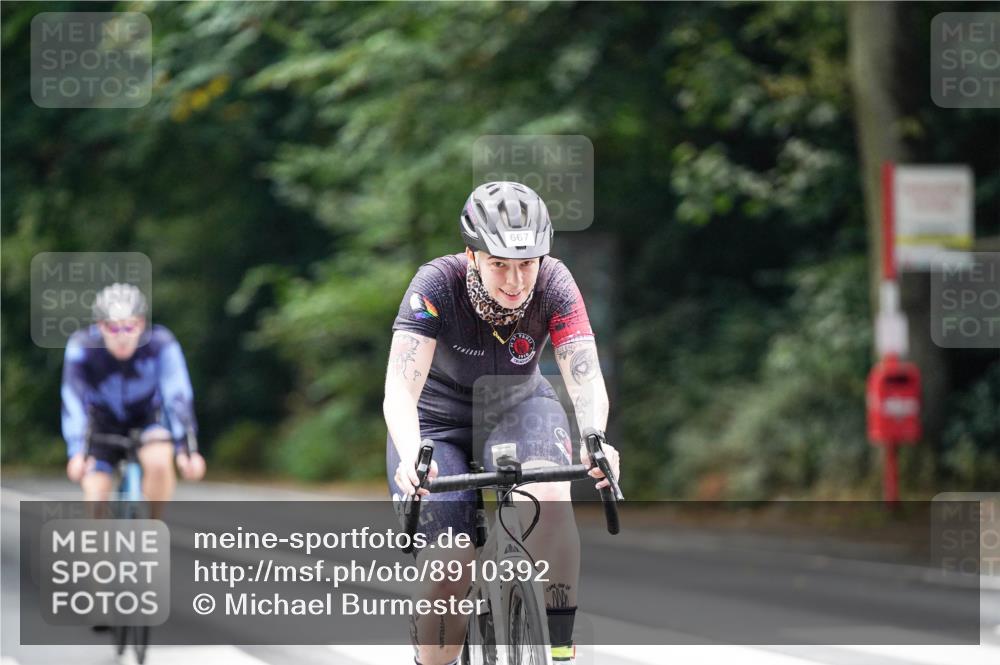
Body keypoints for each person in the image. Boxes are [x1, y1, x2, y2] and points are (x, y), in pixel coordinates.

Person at [384, 182, 621, 665]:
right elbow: (399, 390)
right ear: (472, 256)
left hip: (520, 407)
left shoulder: (555, 282)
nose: (515, 281)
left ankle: (556, 641)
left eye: (526, 264)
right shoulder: (436, 284)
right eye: (499, 264)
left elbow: (585, 374)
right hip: (437, 422)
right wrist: (411, 456)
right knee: (449, 564)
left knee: (551, 496)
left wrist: (595, 436)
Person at [62, 283, 206, 515]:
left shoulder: (160, 344)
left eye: (130, 327)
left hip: (146, 418)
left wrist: (187, 449)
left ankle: (151, 527)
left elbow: (177, 394)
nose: (122, 337)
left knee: (160, 462)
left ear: (142, 324)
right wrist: (77, 451)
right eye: (113, 328)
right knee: (96, 499)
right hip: (100, 423)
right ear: (100, 326)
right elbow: (73, 399)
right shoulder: (83, 347)